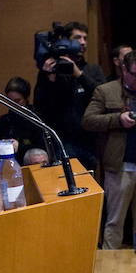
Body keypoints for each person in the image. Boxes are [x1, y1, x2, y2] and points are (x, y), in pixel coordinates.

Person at [83, 48, 136, 250]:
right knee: (115, 222)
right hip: (119, 167)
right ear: (124, 69)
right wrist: (117, 119)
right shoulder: (105, 90)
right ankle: (109, 270)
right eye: (135, 74)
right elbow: (88, 121)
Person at [34, 21, 105, 170]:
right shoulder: (50, 72)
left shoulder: (93, 70)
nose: (83, 43)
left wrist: (78, 74)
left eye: (85, 38)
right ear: (65, 42)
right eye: (78, 38)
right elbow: (42, 107)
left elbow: (102, 95)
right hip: (63, 141)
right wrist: (50, 78)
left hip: (89, 141)